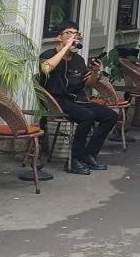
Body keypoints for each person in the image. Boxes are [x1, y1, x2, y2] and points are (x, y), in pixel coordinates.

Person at [39, 23, 119, 176]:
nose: (73, 36)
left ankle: (88, 155)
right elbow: (46, 69)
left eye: (75, 34)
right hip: (57, 101)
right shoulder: (48, 54)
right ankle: (74, 159)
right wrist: (65, 48)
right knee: (86, 116)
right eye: (68, 33)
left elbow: (88, 85)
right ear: (59, 37)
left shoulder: (78, 60)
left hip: (77, 100)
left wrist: (95, 71)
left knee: (111, 116)